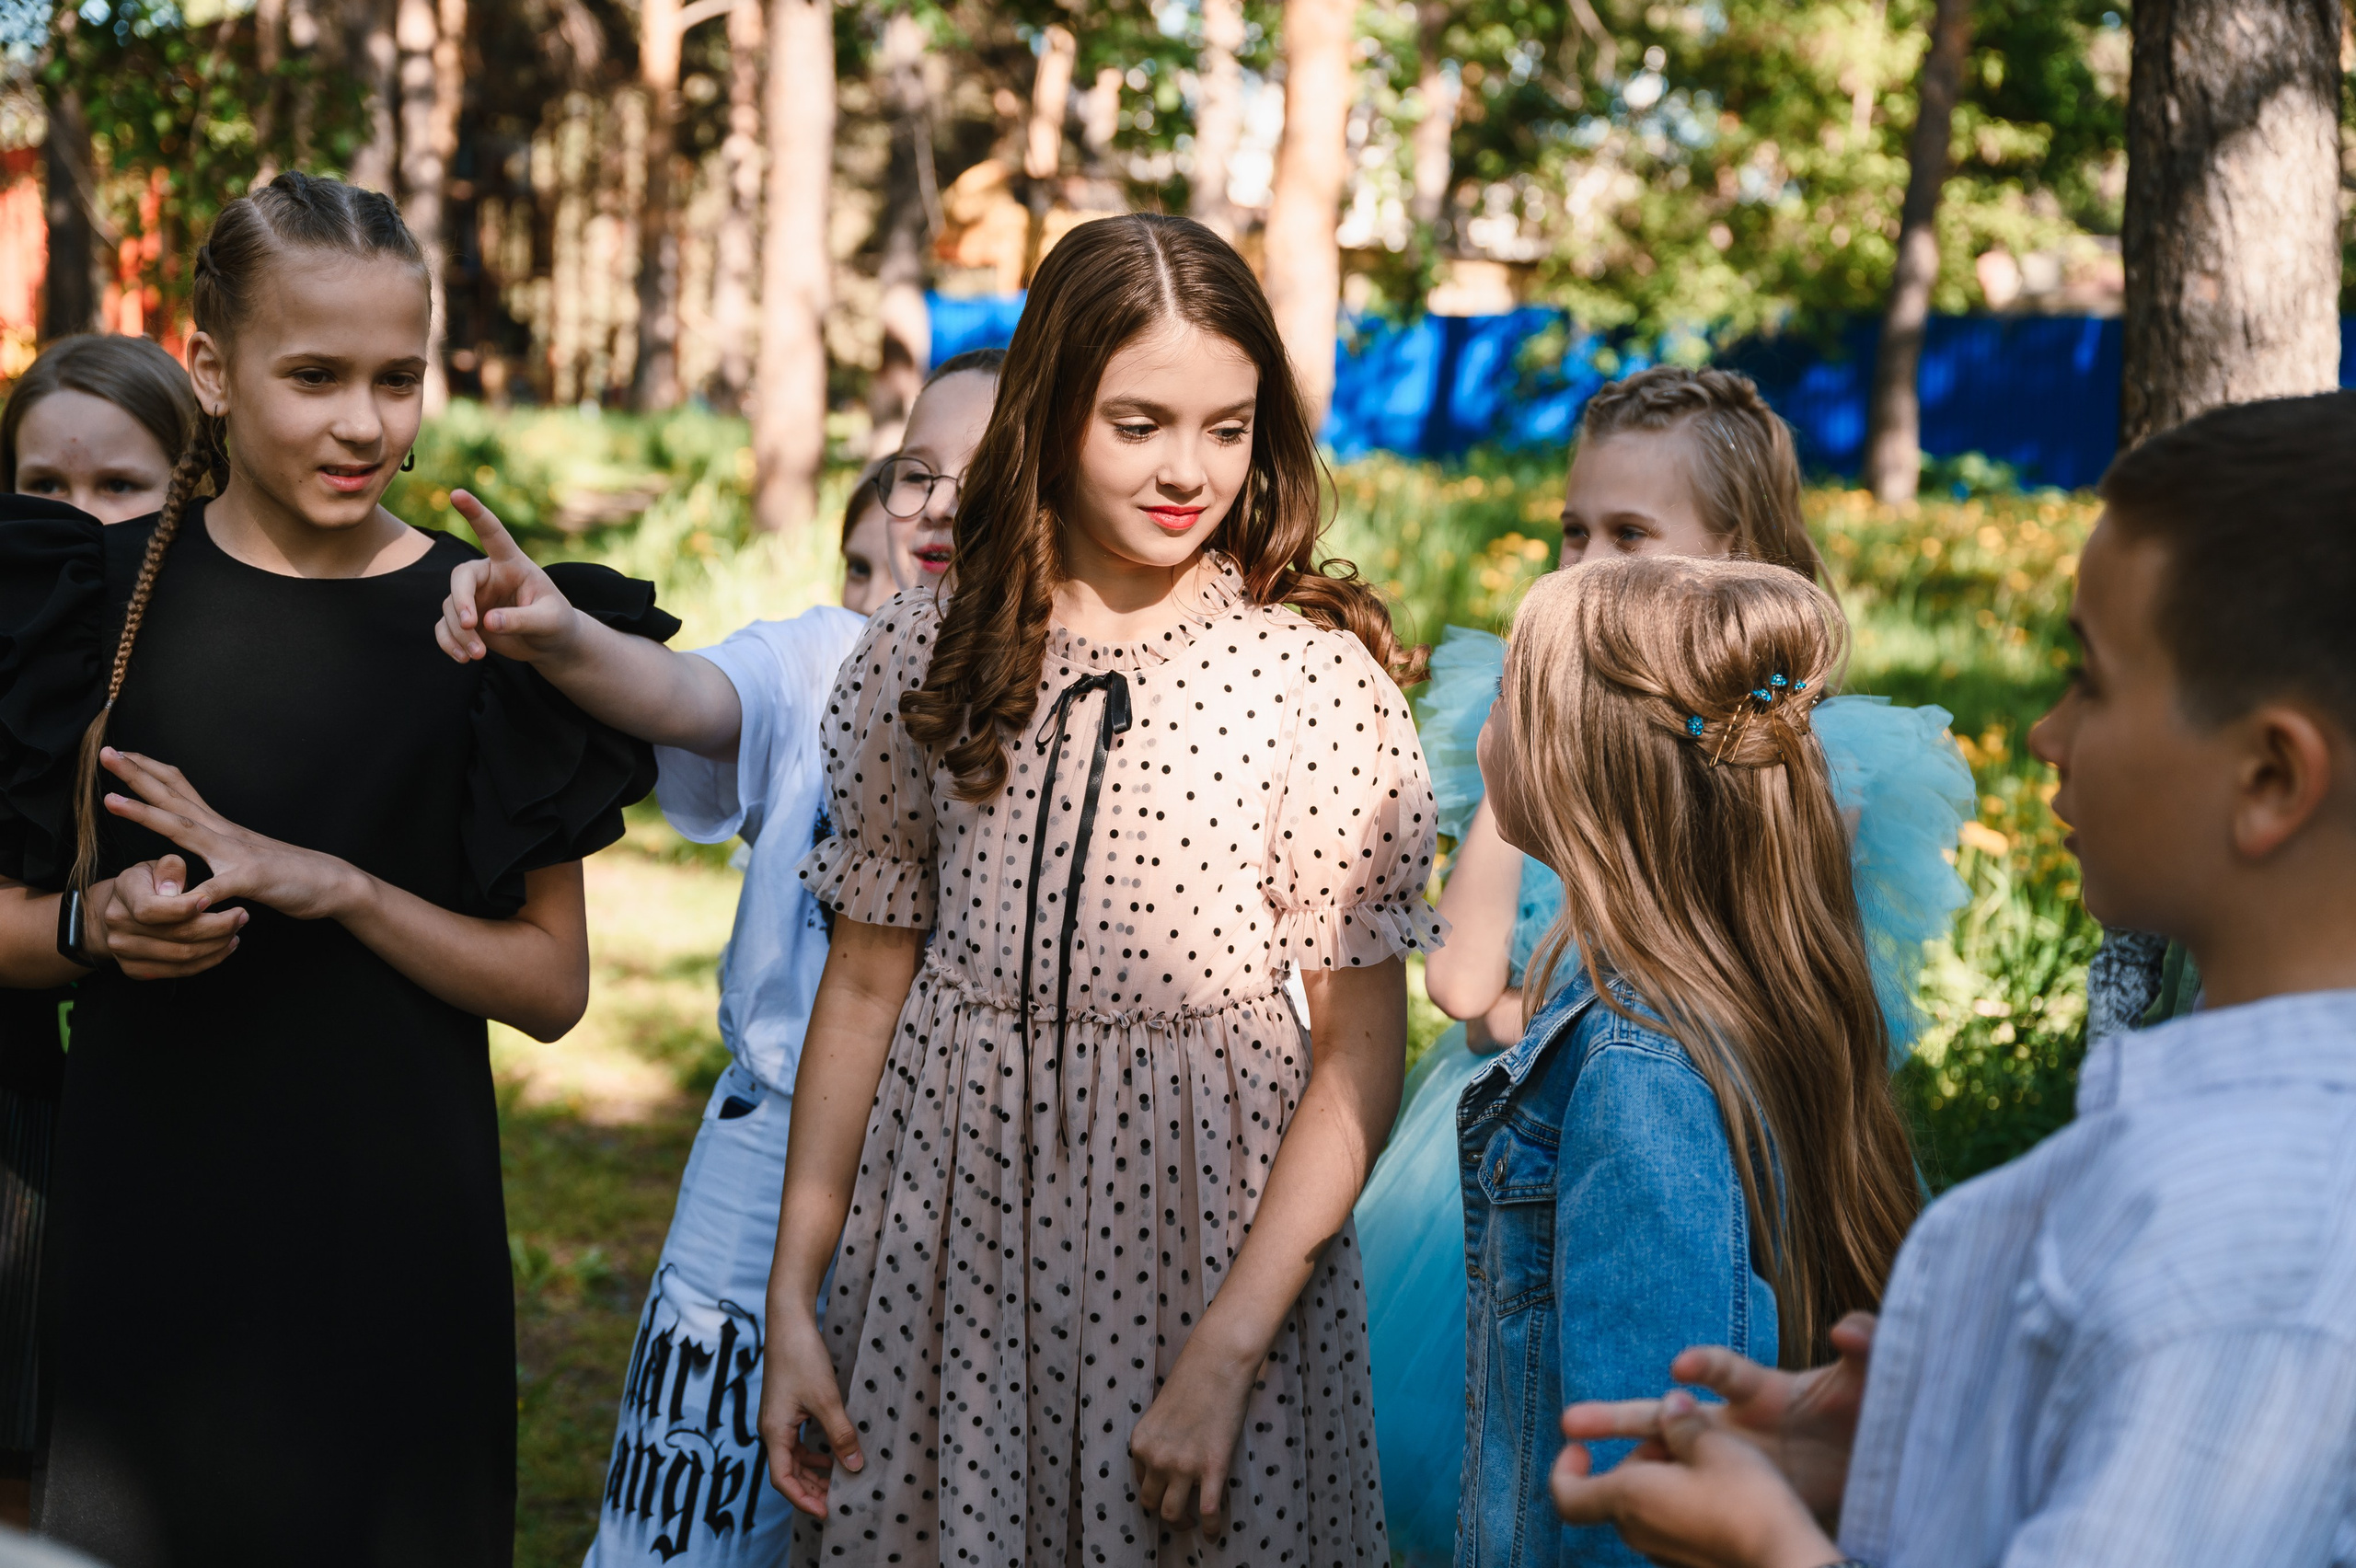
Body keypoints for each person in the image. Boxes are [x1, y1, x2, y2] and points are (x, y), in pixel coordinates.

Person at [1549, 389, 2356, 1568]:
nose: (2043, 734)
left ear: (2270, 778)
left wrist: (1778, 1553)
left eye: (2090, 679)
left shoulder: (2247, 1245)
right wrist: (1914, 1459)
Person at [745, 213, 1441, 1566]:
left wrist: (1229, 1353)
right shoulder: (921, 654)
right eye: (1139, 423)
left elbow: (1360, 1055)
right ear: (1050, 412)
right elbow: (867, 980)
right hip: (950, 1245)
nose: (1189, 470)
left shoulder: (1309, 686)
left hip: (1209, 1256)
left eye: (1229, 429)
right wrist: (796, 1296)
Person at [0, 172, 674, 1566]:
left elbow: (550, 989)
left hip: (394, 1243)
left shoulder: (497, 626)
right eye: (313, 376)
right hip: (147, 1237)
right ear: (211, 370)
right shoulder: (86, 601)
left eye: (397, 379)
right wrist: (93, 922)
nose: (364, 423)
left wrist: (344, 887)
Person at [1357, 366, 1972, 1565]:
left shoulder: (1640, 1074)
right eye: (1572, 533)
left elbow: (1643, 1448)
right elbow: (1470, 982)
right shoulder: (1643, 1021)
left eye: (1628, 537)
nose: (1581, 563)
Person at [435, 349, 1003, 1566]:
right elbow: (682, 694)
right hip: (770, 1145)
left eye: (985, 475)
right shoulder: (822, 660)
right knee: (680, 1518)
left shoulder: (1078, 700)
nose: (941, 507)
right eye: (917, 475)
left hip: (970, 1172)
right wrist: (562, 634)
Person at [1454, 556, 1922, 1568]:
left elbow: (1645, 1478)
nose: (1481, 721)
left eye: (1503, 695)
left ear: (1576, 763)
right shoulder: (1727, 998)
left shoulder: (1636, 1074)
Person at [0, 334, 199, 1524]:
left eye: (121, 488)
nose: (80, 521)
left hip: (194, 1115)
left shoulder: (226, 646)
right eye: (43, 490)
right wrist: (90, 922)